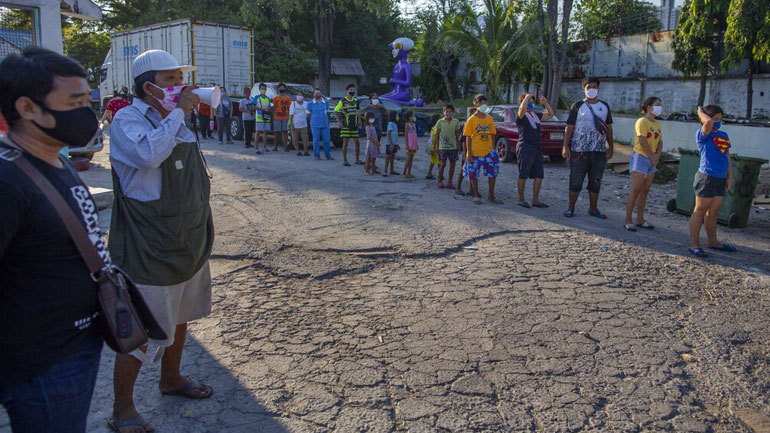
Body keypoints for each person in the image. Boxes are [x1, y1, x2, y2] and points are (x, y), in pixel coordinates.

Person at [0, 47, 106, 433]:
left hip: (76, 343)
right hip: (43, 361)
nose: (86, 112)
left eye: (88, 100)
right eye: (75, 102)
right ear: (28, 108)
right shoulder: (8, 182)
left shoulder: (55, 158)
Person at [109, 49, 215, 433]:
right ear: (147, 85)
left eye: (179, 78)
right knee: (139, 330)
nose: (178, 86)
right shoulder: (127, 119)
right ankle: (123, 411)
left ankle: (171, 378)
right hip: (148, 243)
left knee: (182, 315)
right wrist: (178, 114)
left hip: (186, 238)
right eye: (169, 80)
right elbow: (149, 155)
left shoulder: (176, 119)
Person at [562, 76, 614, 218]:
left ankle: (593, 209)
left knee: (596, 181)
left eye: (594, 87)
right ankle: (571, 208)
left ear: (598, 88)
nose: (592, 90)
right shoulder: (577, 106)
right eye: (588, 87)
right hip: (579, 151)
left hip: (599, 152)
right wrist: (565, 146)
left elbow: (608, 128)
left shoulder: (604, 106)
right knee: (576, 180)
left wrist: (611, 146)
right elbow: (569, 127)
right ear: (584, 89)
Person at [688, 105, 735, 257]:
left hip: (720, 178)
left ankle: (713, 241)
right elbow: (707, 124)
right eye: (715, 119)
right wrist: (700, 112)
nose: (717, 122)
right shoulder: (703, 134)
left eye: (720, 119)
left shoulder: (723, 135)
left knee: (713, 212)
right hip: (707, 177)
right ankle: (694, 244)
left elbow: (726, 155)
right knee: (700, 211)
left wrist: (730, 176)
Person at [624, 96, 663, 231]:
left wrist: (657, 155)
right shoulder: (642, 121)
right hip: (641, 157)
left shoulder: (657, 124)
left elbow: (660, 142)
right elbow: (642, 140)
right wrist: (652, 156)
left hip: (652, 160)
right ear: (649, 107)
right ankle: (628, 220)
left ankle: (640, 219)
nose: (660, 107)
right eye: (657, 105)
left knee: (645, 191)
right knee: (635, 190)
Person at [515, 93, 554, 208]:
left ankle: (535, 200)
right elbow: (521, 110)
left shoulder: (535, 115)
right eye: (529, 102)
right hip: (525, 146)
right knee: (523, 173)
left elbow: (550, 115)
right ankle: (521, 199)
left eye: (532, 102)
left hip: (537, 146)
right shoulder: (521, 115)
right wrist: (526, 97)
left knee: (539, 175)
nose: (531, 104)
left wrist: (545, 103)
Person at [463, 94, 502, 204]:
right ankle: (476, 195)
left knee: (493, 173)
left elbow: (492, 134)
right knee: (473, 174)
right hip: (475, 152)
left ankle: (491, 195)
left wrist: (493, 147)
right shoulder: (471, 120)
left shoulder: (489, 119)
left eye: (484, 103)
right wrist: (469, 153)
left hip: (489, 152)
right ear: (475, 104)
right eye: (480, 103)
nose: (483, 105)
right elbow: (468, 138)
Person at [433, 104, 461, 189]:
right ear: (444, 112)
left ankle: (450, 182)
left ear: (453, 112)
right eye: (447, 111)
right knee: (442, 164)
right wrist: (436, 146)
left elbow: (457, 134)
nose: (448, 113)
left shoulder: (456, 121)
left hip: (453, 147)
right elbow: (437, 135)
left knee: (452, 165)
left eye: (450, 111)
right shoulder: (440, 122)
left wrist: (458, 146)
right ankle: (440, 181)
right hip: (443, 147)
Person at [335, 83, 361, 166]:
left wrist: (360, 121)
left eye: (353, 90)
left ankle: (357, 159)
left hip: (354, 125)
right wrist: (338, 122)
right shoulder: (342, 101)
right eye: (350, 90)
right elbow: (335, 111)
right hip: (345, 125)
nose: (352, 91)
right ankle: (345, 160)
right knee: (345, 143)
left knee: (357, 142)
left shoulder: (356, 101)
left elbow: (358, 112)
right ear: (347, 90)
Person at [455, 107, 476, 196]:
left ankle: (472, 190)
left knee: (473, 171)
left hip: (475, 152)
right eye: (474, 113)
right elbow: (463, 141)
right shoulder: (468, 124)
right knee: (463, 170)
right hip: (467, 152)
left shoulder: (476, 123)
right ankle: (458, 187)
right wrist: (465, 154)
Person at [307, 88, 333, 160]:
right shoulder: (310, 103)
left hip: (325, 124)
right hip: (315, 124)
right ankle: (317, 155)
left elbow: (326, 111)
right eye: (316, 93)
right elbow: (308, 115)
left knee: (327, 140)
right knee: (316, 140)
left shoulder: (326, 102)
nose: (317, 94)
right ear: (313, 94)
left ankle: (328, 155)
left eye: (319, 93)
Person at [253, 83, 272, 154]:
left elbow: (269, 107)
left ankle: (264, 147)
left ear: (266, 90)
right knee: (258, 133)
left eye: (264, 89)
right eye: (262, 88)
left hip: (266, 117)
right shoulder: (256, 97)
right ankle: (256, 148)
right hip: (259, 117)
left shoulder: (268, 98)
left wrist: (268, 109)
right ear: (259, 89)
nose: (263, 90)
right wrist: (262, 109)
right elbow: (253, 107)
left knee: (265, 132)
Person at [272, 83, 291, 152]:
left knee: (285, 132)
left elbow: (289, 108)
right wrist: (274, 116)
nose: (282, 89)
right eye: (280, 88)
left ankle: (285, 147)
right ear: (278, 89)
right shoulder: (276, 98)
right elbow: (274, 107)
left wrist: (289, 117)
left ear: (285, 89)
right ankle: (275, 146)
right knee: (276, 132)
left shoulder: (287, 98)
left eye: (283, 88)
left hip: (285, 117)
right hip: (277, 117)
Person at [402, 111, 418, 178]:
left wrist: (416, 144)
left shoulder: (414, 124)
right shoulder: (407, 124)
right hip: (409, 144)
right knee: (408, 158)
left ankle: (409, 173)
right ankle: (404, 173)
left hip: (414, 144)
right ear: (409, 117)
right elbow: (406, 135)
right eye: (413, 116)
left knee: (411, 158)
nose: (414, 117)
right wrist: (407, 144)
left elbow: (415, 134)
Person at [383, 111, 399, 176]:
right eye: (396, 115)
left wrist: (396, 144)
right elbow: (389, 134)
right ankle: (385, 171)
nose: (397, 116)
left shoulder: (395, 124)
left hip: (394, 143)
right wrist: (391, 143)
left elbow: (395, 135)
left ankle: (392, 170)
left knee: (392, 156)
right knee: (388, 157)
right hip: (390, 143)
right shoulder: (390, 124)